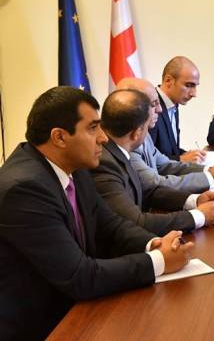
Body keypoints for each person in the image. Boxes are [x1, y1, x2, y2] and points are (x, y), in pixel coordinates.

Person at [0, 87, 192, 340]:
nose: (103, 138)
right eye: (93, 128)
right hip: (41, 325)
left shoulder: (73, 165)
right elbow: (79, 276)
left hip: (76, 307)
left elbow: (109, 224)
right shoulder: (24, 188)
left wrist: (154, 243)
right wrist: (159, 261)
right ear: (59, 137)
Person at [91, 89, 214, 236]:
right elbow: (136, 222)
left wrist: (194, 200)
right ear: (137, 133)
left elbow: (146, 191)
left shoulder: (117, 150)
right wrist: (199, 216)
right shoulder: (105, 162)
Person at [119, 78, 214, 194]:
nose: (160, 109)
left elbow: (165, 165)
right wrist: (210, 177)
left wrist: (209, 170)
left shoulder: (144, 134)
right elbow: (155, 183)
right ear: (131, 107)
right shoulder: (126, 140)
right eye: (154, 104)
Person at [149, 56, 206, 162]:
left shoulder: (173, 104)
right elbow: (146, 159)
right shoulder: (150, 107)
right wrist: (181, 159)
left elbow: (171, 151)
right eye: (189, 85)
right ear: (168, 81)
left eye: (195, 86)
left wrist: (189, 154)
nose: (194, 94)